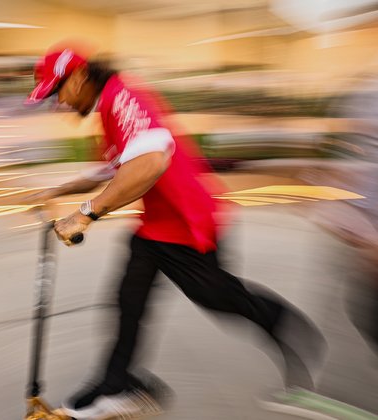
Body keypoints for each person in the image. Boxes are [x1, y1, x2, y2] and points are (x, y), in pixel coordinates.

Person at [26, 46, 326, 420]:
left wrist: (87, 214)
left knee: (217, 297)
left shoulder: (123, 99)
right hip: (158, 225)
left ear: (79, 77)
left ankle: (286, 327)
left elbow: (150, 163)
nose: (60, 103)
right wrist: (59, 191)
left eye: (58, 92)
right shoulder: (111, 106)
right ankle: (121, 385)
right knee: (127, 300)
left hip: (188, 222)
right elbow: (117, 169)